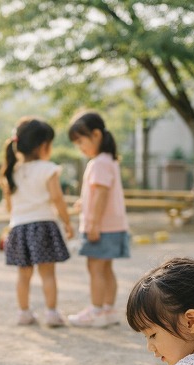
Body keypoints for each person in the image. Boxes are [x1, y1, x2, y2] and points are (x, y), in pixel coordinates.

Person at [0, 117, 73, 327]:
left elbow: (9, 204)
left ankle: (23, 313)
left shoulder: (13, 170)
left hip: (19, 228)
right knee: (47, 273)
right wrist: (67, 222)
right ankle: (51, 314)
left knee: (23, 275)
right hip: (43, 225)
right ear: (43, 146)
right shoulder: (48, 168)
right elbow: (57, 198)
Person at [66, 110, 129, 328]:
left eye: (81, 141)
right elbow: (101, 193)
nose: (80, 147)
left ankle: (96, 310)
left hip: (101, 227)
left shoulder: (98, 163)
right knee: (106, 268)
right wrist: (84, 202)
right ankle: (108, 310)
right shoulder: (109, 160)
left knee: (95, 268)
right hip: (114, 225)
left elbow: (101, 195)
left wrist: (92, 223)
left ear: (96, 135)